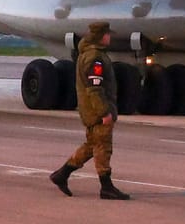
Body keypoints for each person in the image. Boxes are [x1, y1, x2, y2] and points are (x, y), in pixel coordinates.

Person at [50, 21, 131, 199]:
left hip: (91, 110)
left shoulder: (90, 54)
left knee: (91, 145)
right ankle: (106, 187)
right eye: (107, 34)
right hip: (97, 111)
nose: (109, 36)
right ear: (100, 36)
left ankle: (62, 174)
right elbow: (94, 88)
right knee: (103, 147)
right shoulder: (94, 57)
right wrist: (104, 112)